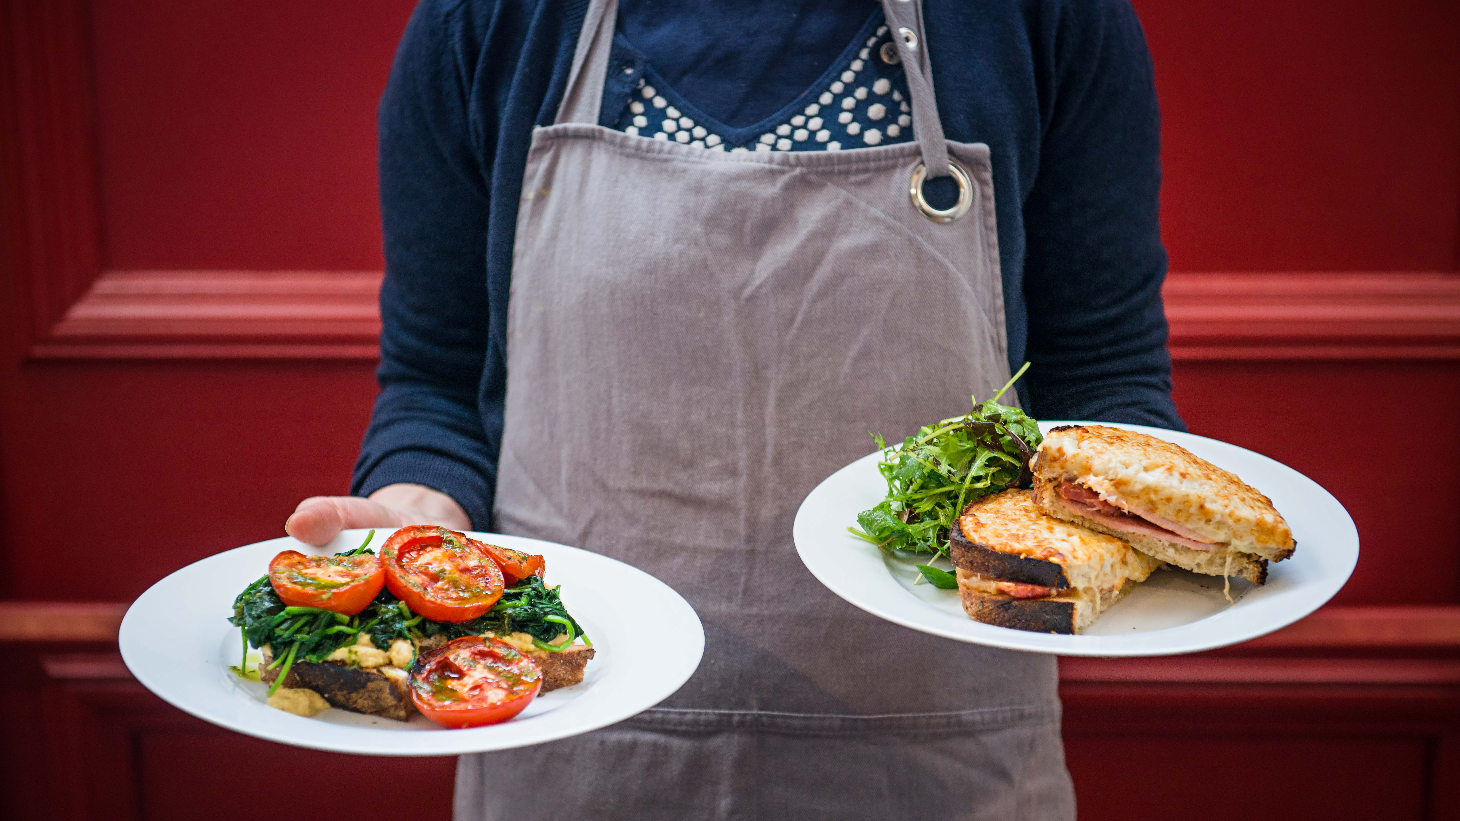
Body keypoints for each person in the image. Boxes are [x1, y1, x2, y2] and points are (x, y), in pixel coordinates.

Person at [286, 0, 1182, 817]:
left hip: (942, 751)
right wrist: (415, 518)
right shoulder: (488, 23)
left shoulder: (1045, 20)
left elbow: (1104, 375)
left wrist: (1162, 525)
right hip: (570, 746)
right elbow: (436, 383)